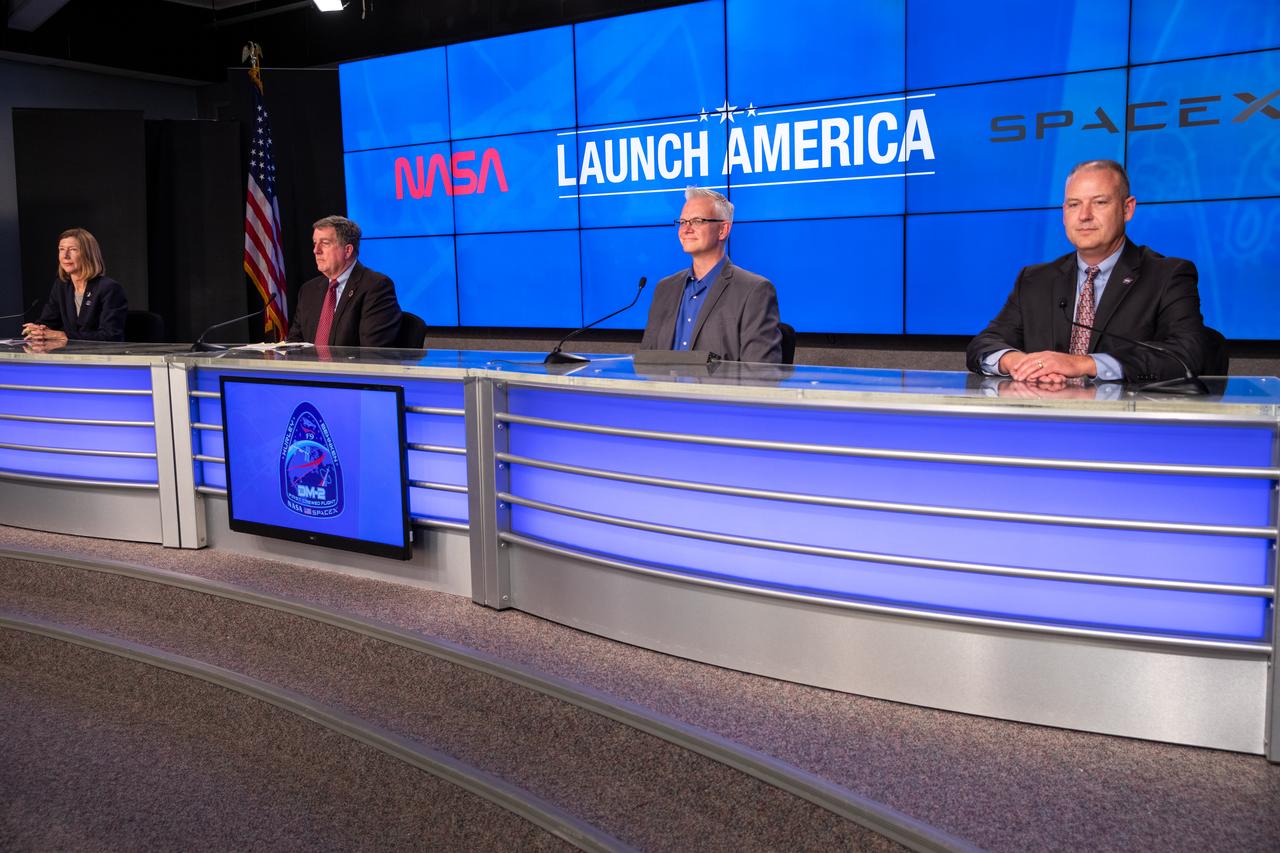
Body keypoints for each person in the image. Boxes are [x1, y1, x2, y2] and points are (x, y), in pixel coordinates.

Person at [966, 159, 1205, 384]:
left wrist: (1085, 364)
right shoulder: (1035, 279)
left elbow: (1187, 354)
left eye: (1100, 202)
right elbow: (983, 344)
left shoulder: (1167, 275)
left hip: (1124, 423)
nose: (1084, 216)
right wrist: (1018, 362)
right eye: (1074, 204)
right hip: (1044, 420)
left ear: (1127, 209)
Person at [639, 187, 782, 363]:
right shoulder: (665, 288)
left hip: (720, 391)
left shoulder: (754, 291)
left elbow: (760, 373)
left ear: (723, 230)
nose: (686, 229)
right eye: (683, 222)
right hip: (664, 391)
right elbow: (646, 362)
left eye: (697, 221)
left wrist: (701, 367)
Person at [287, 215, 401, 350]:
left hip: (350, 370)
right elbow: (294, 342)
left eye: (324, 243)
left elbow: (373, 352)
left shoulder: (376, 287)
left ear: (347, 251)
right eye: (315, 243)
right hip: (311, 370)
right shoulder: (309, 290)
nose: (316, 250)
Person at [23, 228, 127, 344]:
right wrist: (38, 329)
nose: (65, 256)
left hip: (102, 357)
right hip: (71, 357)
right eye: (61, 249)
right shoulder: (61, 286)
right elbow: (48, 321)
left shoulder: (109, 288)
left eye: (73, 249)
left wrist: (64, 335)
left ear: (88, 254)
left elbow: (110, 335)